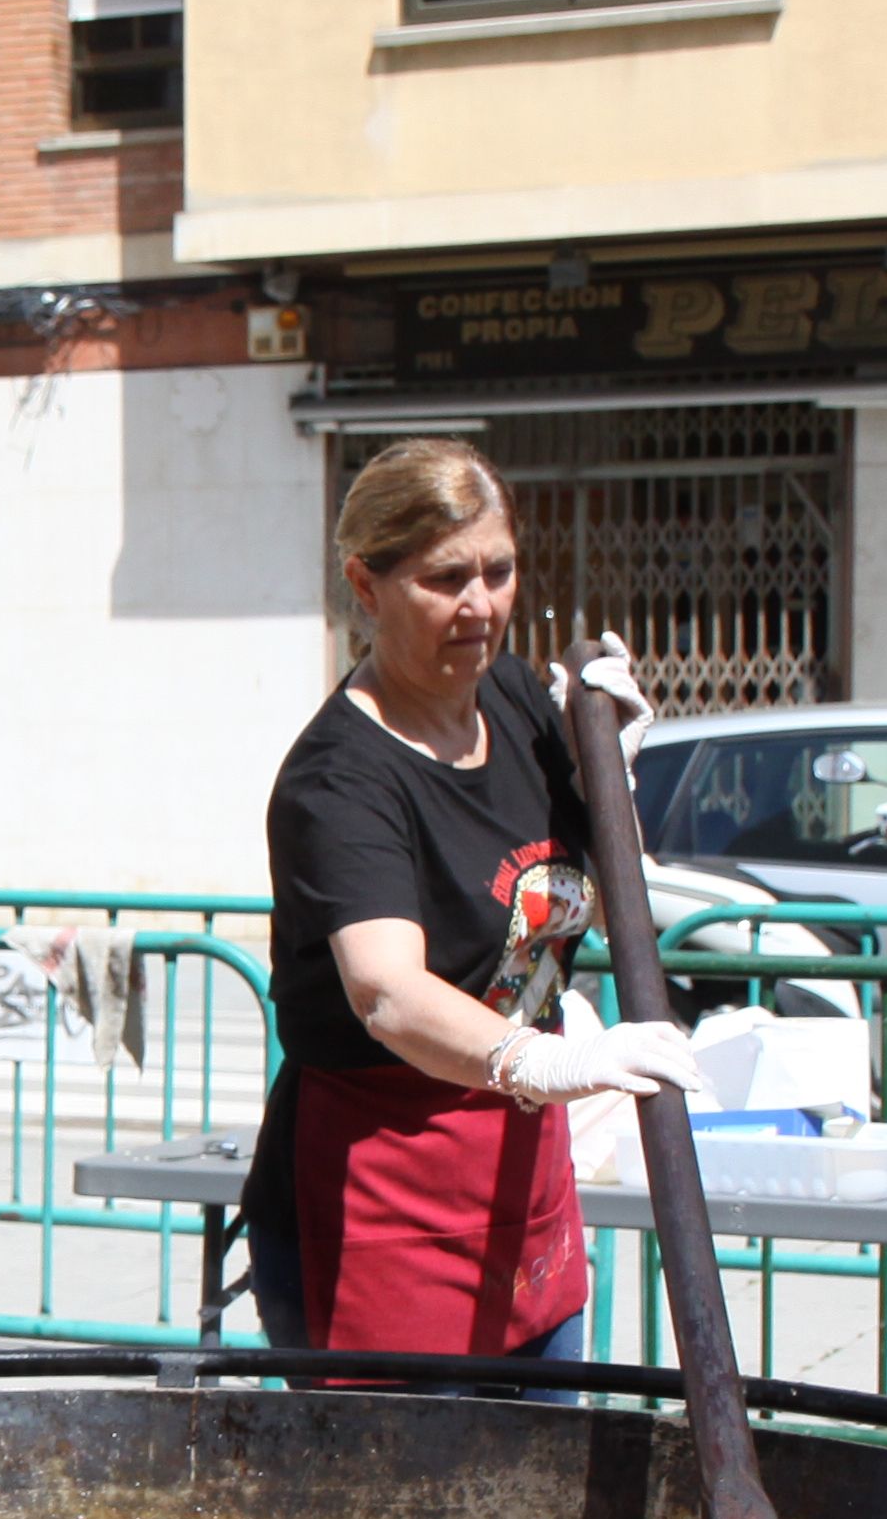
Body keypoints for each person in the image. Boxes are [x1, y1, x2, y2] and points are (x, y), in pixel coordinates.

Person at [248, 437, 703, 1362]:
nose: (480, 605)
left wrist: (606, 772)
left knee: (547, 1483)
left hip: (518, 1171)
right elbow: (387, 994)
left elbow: (609, 909)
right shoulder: (340, 781)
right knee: (406, 1501)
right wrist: (537, 1061)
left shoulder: (519, 701)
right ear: (365, 585)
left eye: (498, 571)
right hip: (382, 1186)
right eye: (444, 578)